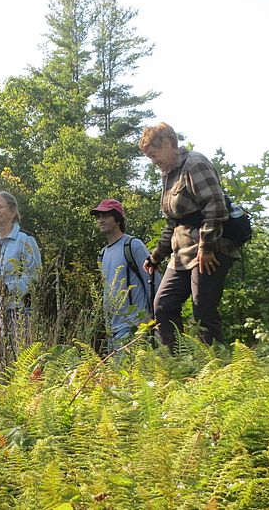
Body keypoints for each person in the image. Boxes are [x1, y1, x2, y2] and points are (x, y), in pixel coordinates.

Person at [139, 123, 239, 350]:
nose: (153, 161)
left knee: (202, 307)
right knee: (163, 305)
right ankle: (174, 367)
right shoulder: (168, 175)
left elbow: (216, 207)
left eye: (153, 155)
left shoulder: (195, 164)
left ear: (167, 144)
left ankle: (213, 367)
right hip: (181, 253)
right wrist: (156, 256)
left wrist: (206, 247)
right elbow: (172, 223)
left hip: (209, 250)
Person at [0, 191, 42, 360]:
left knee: (19, 359)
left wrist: (8, 288)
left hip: (18, 312)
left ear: (12, 211)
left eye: (0, 206)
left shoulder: (25, 240)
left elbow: (34, 275)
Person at [91, 199, 161, 348]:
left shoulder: (133, 245)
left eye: (105, 216)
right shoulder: (102, 254)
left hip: (135, 326)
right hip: (112, 329)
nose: (100, 220)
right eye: (98, 217)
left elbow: (154, 282)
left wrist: (156, 320)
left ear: (117, 219)